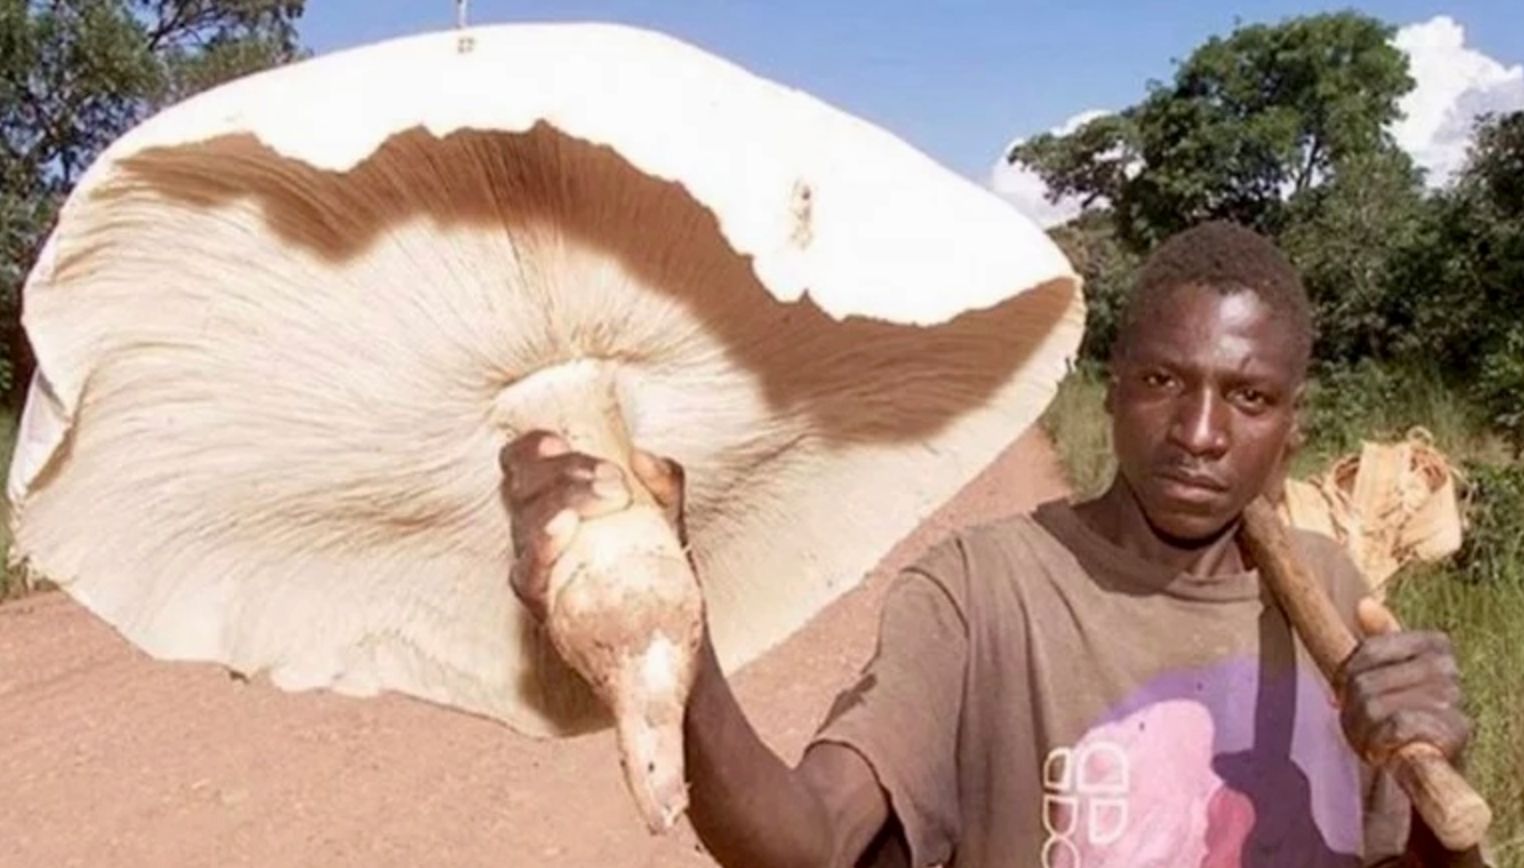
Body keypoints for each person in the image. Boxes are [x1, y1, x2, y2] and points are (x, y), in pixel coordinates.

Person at [499, 221, 1480, 867]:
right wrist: (679, 630)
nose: (1199, 432)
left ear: (1293, 425)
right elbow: (812, 842)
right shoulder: (981, 591)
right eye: (1163, 382)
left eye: (1249, 397)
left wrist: (1437, 792)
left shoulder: (1337, 601)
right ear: (1112, 387)